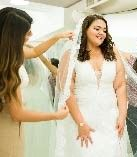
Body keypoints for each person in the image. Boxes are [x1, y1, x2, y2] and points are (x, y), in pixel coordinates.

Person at [55, 14, 127, 157]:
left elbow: (120, 86)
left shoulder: (113, 55)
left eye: (104, 30)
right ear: (85, 30)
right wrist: (81, 124)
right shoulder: (70, 56)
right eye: (97, 28)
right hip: (82, 117)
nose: (102, 33)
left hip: (109, 119)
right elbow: (67, 91)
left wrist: (122, 116)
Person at [0, 8, 69, 157]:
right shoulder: (7, 65)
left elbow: (35, 52)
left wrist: (57, 37)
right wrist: (55, 115)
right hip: (6, 129)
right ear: (13, 34)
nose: (31, 35)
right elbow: (17, 114)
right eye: (27, 32)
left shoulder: (8, 52)